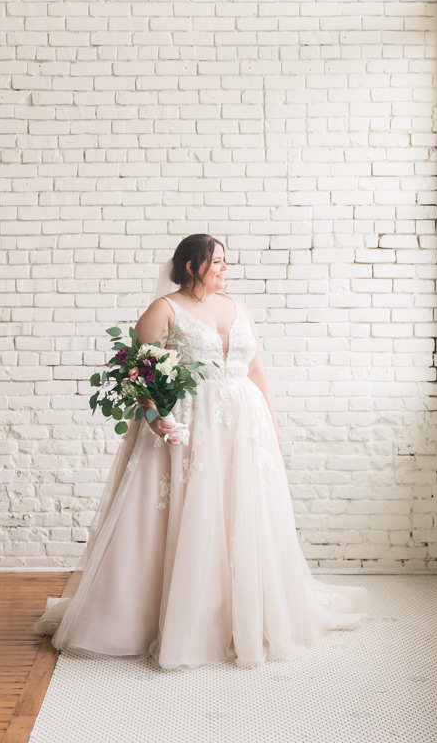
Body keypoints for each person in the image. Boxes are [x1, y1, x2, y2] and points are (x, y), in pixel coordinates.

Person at [34, 233, 372, 669]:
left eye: (225, 262)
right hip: (189, 427)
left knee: (240, 516)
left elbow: (255, 370)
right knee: (187, 516)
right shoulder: (165, 309)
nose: (224, 269)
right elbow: (135, 371)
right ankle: (169, 617)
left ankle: (240, 613)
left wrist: (271, 421)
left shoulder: (237, 307)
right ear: (192, 266)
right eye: (217, 262)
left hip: (243, 428)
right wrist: (155, 415)